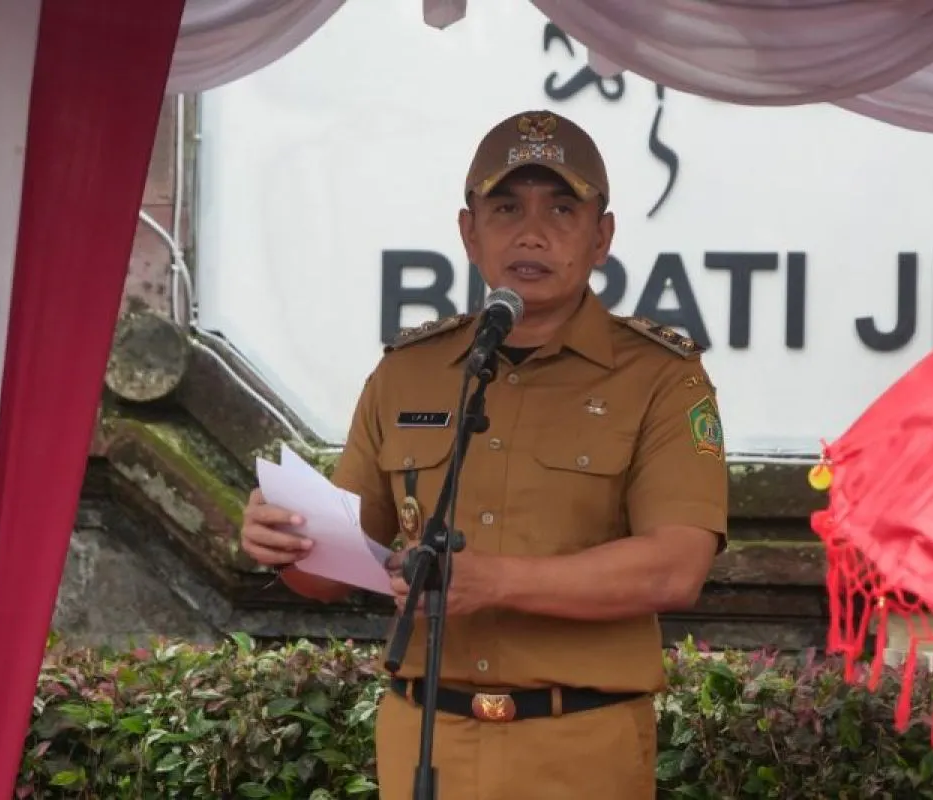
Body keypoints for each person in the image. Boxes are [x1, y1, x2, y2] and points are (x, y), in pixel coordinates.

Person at [240, 109, 729, 800]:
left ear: (602, 237)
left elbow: (676, 567)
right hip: (425, 745)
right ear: (469, 232)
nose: (532, 232)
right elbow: (340, 565)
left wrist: (496, 581)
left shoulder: (661, 377)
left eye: (562, 209)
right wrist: (285, 540)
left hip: (581, 749)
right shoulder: (407, 372)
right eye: (506, 208)